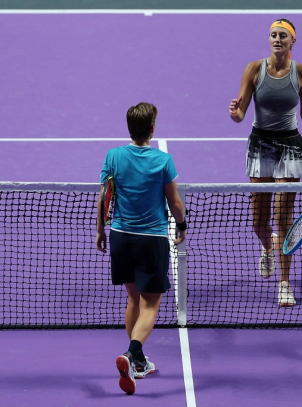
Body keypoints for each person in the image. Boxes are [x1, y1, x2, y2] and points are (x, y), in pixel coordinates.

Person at [95, 102, 186, 395]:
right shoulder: (163, 160)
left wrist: (99, 230)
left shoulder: (113, 156)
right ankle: (132, 353)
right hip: (151, 240)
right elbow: (174, 203)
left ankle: (139, 362)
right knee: (151, 304)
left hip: (120, 237)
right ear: (152, 129)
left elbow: (104, 198)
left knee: (133, 299)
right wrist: (182, 226)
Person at [228, 19, 302, 306]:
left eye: (283, 36)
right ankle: (267, 247)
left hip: (290, 146)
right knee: (259, 221)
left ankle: (284, 283)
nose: (277, 39)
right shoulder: (254, 70)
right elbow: (241, 112)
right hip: (260, 144)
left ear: (293, 41)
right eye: (273, 35)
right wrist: (235, 113)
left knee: (283, 219)